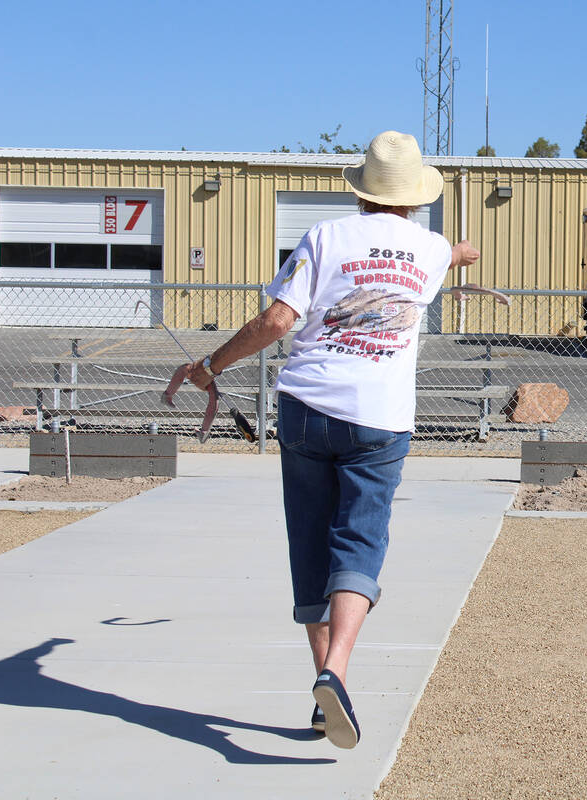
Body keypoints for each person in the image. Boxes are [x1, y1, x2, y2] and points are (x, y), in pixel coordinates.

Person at [187, 130, 481, 749]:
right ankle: (336, 673)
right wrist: (461, 253)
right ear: (415, 197)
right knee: (360, 541)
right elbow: (450, 255)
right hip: (379, 419)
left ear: (363, 192)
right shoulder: (427, 252)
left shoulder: (324, 237)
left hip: (306, 409)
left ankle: (323, 693)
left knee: (310, 547)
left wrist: (211, 366)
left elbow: (277, 321)